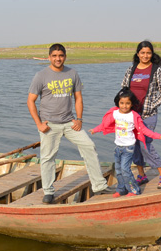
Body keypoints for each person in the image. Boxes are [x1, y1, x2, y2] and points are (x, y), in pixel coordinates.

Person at [27, 43, 114, 204]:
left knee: (89, 146)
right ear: (49, 57)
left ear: (65, 57)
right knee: (47, 157)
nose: (58, 58)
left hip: (70, 122)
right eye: (54, 56)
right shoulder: (41, 76)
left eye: (60, 56)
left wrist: (79, 119)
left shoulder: (72, 73)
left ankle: (99, 186)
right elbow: (30, 101)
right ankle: (48, 191)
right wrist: (39, 124)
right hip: (49, 125)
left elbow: (78, 98)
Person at [89, 88, 161, 197]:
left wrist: (158, 136)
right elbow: (105, 124)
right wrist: (95, 130)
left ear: (131, 104)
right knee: (118, 170)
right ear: (118, 102)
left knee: (125, 170)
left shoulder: (134, 116)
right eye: (122, 103)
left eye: (127, 103)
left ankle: (134, 190)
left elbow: (144, 130)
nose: (124, 106)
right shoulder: (115, 113)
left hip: (128, 148)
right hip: (118, 147)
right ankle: (121, 189)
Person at [121, 40, 161, 189]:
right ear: (138, 54)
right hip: (131, 115)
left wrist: (151, 106)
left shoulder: (156, 71)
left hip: (147, 115)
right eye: (142, 53)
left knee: (144, 145)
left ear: (152, 54)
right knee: (134, 145)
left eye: (148, 53)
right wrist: (122, 108)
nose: (145, 55)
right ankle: (141, 175)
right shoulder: (131, 70)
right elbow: (123, 89)